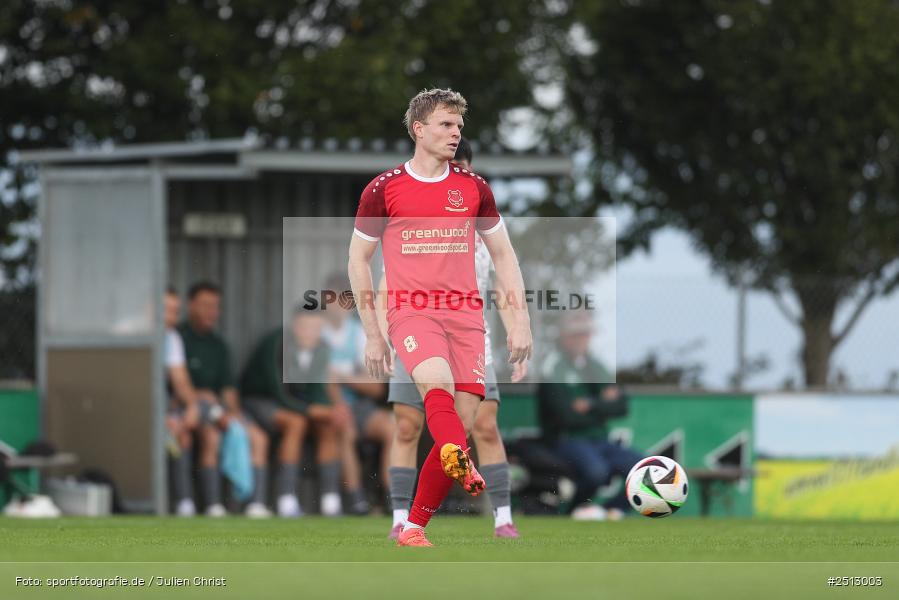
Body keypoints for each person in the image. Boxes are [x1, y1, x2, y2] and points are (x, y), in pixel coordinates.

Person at [348, 88, 532, 547]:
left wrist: (521, 323)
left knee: (463, 424)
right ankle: (454, 464)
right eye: (447, 125)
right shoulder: (383, 187)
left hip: (468, 320)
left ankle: (413, 528)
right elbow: (358, 260)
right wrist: (373, 333)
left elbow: (505, 257)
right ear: (419, 129)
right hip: (411, 313)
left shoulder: (474, 189)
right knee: (437, 391)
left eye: (459, 126)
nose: (456, 133)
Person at [380, 137, 526, 540]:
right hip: (417, 332)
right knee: (408, 426)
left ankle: (503, 518)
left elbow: (502, 285)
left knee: (483, 426)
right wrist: (381, 336)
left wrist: (517, 327)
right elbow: (383, 282)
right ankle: (401, 520)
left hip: (469, 337)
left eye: (459, 168)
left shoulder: (482, 221)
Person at [240, 308, 348, 517]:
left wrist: (331, 411)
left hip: (296, 404)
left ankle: (330, 502)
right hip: (260, 400)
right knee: (296, 422)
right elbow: (279, 394)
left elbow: (318, 390)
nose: (311, 333)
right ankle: (286, 501)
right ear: (294, 326)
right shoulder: (276, 344)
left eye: (317, 329)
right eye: (306, 328)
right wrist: (314, 410)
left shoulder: (322, 348)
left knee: (328, 424)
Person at [536, 311, 643, 520]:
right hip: (567, 440)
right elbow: (564, 416)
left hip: (600, 440)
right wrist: (602, 406)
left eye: (585, 334)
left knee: (642, 470)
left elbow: (621, 405)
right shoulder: (553, 366)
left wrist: (591, 405)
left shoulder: (595, 365)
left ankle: (612, 511)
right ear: (563, 336)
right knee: (596, 472)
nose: (582, 339)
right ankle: (572, 512)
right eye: (576, 335)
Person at [178, 281, 270, 517]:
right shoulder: (179, 338)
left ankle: (255, 504)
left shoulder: (219, 345)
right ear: (191, 306)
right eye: (206, 305)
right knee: (211, 437)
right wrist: (201, 397)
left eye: (215, 307)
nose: (211, 312)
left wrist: (234, 412)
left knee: (257, 437)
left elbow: (228, 389)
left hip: (218, 410)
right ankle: (213, 505)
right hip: (189, 410)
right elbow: (177, 385)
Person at [319, 273, 393, 515]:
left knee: (392, 428)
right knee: (345, 429)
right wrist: (345, 388)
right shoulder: (316, 331)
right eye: (331, 299)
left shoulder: (359, 332)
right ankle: (357, 500)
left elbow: (375, 385)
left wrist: (342, 378)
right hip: (328, 406)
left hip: (360, 406)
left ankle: (392, 499)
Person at [163, 286, 200, 517]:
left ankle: (184, 503)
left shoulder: (172, 337)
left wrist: (193, 406)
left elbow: (180, 378)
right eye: (166, 309)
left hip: (162, 410)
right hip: (130, 409)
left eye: (175, 311)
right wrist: (160, 416)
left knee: (182, 430)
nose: (171, 317)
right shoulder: (131, 330)